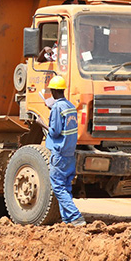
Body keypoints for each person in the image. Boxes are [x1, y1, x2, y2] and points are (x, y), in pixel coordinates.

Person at [45, 75, 85, 226]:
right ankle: (67, 220)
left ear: (54, 92)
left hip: (59, 153)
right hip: (69, 153)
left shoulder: (56, 108)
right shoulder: (70, 107)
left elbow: (54, 132)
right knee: (66, 186)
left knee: (58, 186)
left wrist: (42, 123)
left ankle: (75, 216)